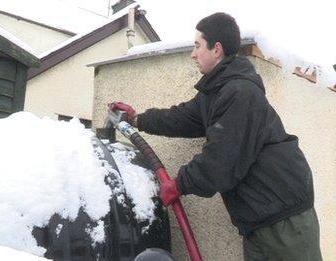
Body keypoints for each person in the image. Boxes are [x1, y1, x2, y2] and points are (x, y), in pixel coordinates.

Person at [110, 12, 322, 261]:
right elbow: (182, 118)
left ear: (217, 49)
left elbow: (222, 160)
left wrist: (179, 184)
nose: (193, 53)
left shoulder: (240, 93)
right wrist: (137, 119)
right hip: (260, 219)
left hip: (284, 220)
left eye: (198, 46)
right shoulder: (218, 91)